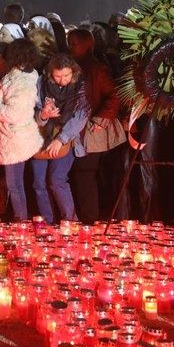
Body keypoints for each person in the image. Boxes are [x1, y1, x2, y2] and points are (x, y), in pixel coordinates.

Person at [67, 29, 123, 224]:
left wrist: (101, 119)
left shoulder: (97, 69)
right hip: (73, 129)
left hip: (89, 130)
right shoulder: (72, 65)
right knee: (76, 175)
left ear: (86, 45)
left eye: (74, 43)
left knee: (85, 175)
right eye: (69, 43)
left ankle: (89, 219)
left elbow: (114, 95)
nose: (70, 47)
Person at [0, 39, 44, 222]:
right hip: (14, 137)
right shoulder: (26, 73)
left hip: (14, 138)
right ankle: (21, 218)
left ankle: (21, 220)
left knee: (14, 184)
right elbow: (8, 74)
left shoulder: (22, 83)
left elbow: (15, 113)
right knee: (16, 183)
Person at [31, 53, 91, 223]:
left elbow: (82, 115)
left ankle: (70, 221)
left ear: (73, 72)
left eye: (66, 75)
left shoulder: (80, 86)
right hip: (42, 136)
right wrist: (44, 114)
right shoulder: (41, 83)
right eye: (57, 76)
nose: (62, 80)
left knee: (57, 179)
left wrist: (61, 138)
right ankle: (47, 222)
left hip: (67, 137)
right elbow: (35, 112)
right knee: (39, 182)